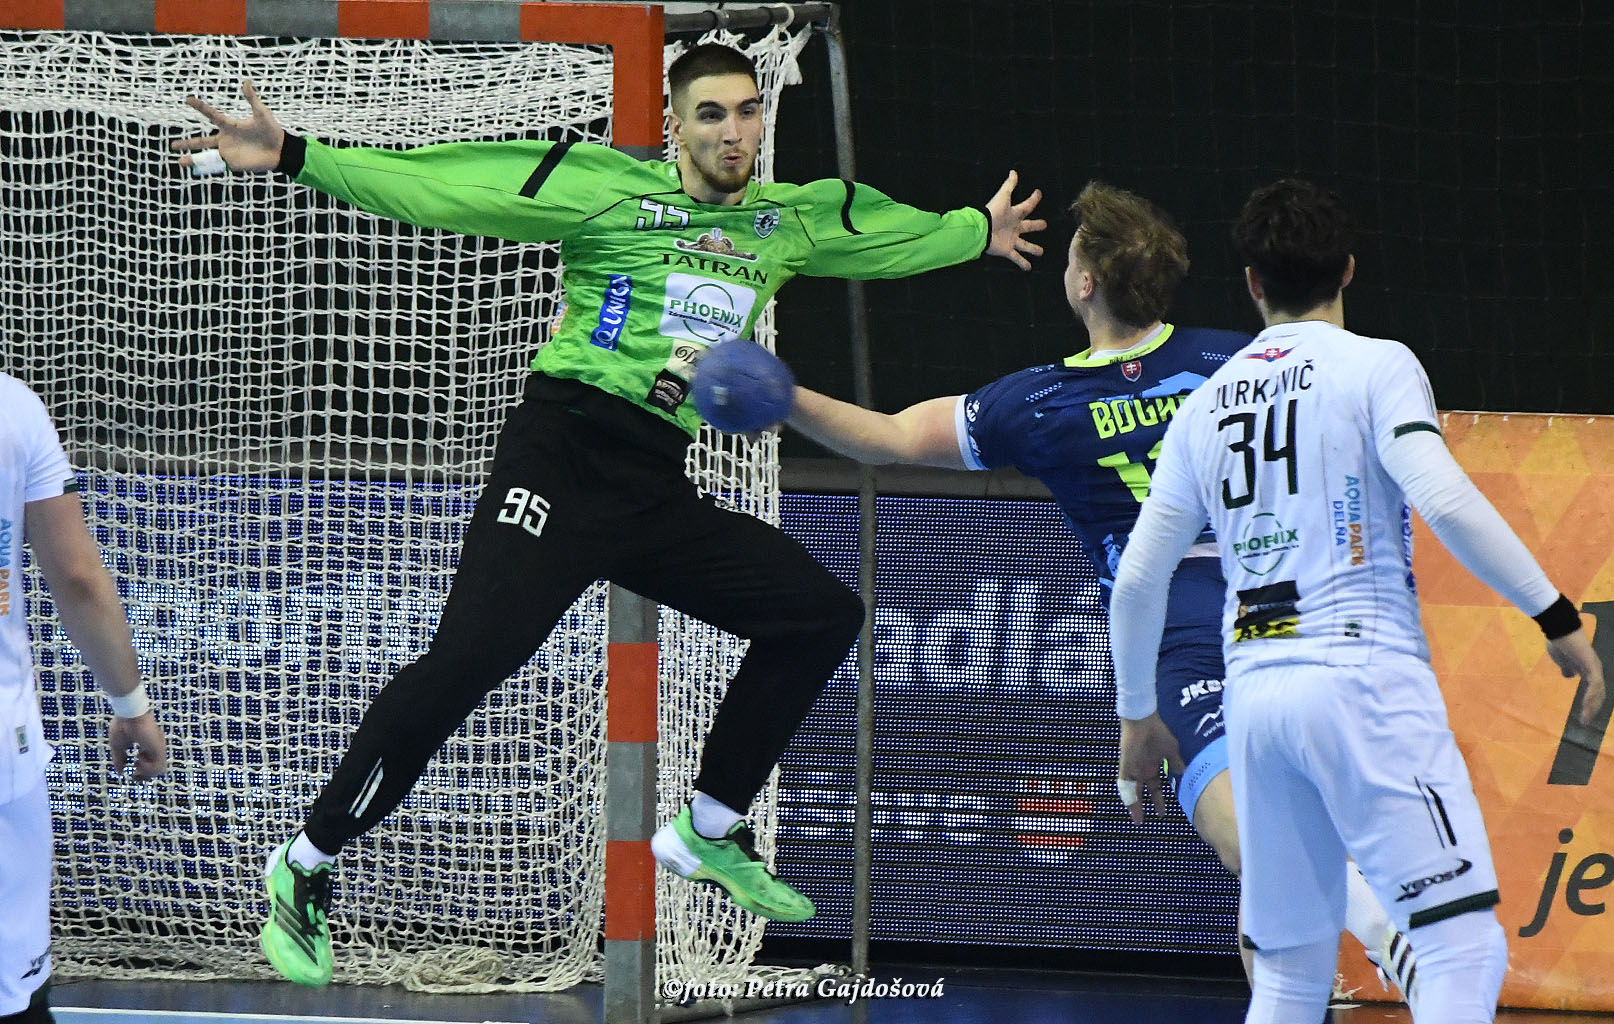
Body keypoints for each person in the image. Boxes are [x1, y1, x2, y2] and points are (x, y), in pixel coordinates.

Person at [171, 44, 1046, 986]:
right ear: (675, 126)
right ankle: (306, 862)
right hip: (561, 456)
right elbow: (451, 188)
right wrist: (298, 155)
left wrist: (974, 232)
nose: (734, 132)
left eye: (747, 111)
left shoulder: (786, 221)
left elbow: (882, 235)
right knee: (469, 662)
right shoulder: (603, 188)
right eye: (711, 114)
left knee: (821, 614)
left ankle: (709, 827)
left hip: (651, 484)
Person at [786, 180, 1413, 997]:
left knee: (1241, 829)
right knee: (1274, 857)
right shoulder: (1238, 360)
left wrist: (781, 395)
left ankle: (1374, 920)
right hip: (1294, 596)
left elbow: (890, 437)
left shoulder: (1038, 403)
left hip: (1177, 623)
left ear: (1084, 284)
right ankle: (1348, 940)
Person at [1109, 178, 1605, 1023]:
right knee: (1461, 950)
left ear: (1252, 283)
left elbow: (1137, 579)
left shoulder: (1204, 405)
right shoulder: (1378, 365)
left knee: (1291, 975)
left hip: (1257, 697)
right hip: (1362, 676)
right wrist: (1555, 617)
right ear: (1347, 269)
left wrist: (1136, 717)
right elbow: (1442, 498)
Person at [0, 373, 169, 1024]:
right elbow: (76, 578)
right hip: (4, 757)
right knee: (14, 1001)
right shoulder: (13, 409)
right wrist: (131, 706)